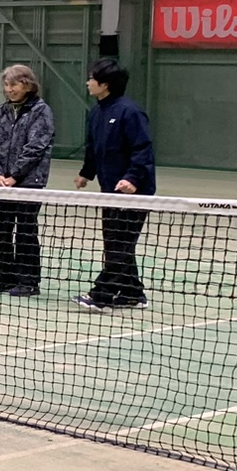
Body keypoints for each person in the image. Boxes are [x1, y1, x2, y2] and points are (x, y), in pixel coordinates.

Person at [74, 56, 154, 310]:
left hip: (134, 193)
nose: (87, 82)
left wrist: (132, 179)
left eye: (91, 78)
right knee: (116, 242)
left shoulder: (130, 112)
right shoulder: (97, 112)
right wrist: (86, 173)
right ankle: (132, 293)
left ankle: (102, 294)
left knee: (120, 244)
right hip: (109, 190)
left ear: (105, 84)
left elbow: (142, 150)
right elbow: (93, 148)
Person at [0, 64, 54, 297]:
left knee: (25, 232)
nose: (9, 89)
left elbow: (36, 147)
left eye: (13, 84)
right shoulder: (1, 112)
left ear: (27, 85)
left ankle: (29, 281)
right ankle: (6, 276)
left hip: (29, 182)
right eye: (6, 84)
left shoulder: (41, 111)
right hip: (1, 184)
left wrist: (15, 176)